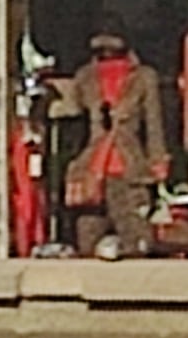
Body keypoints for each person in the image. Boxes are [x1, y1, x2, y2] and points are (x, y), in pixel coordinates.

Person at [62, 30, 171, 257]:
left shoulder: (143, 77)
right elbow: (73, 125)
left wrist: (157, 160)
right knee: (88, 242)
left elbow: (153, 122)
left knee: (137, 240)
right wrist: (72, 166)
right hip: (92, 171)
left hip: (130, 170)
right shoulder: (85, 77)